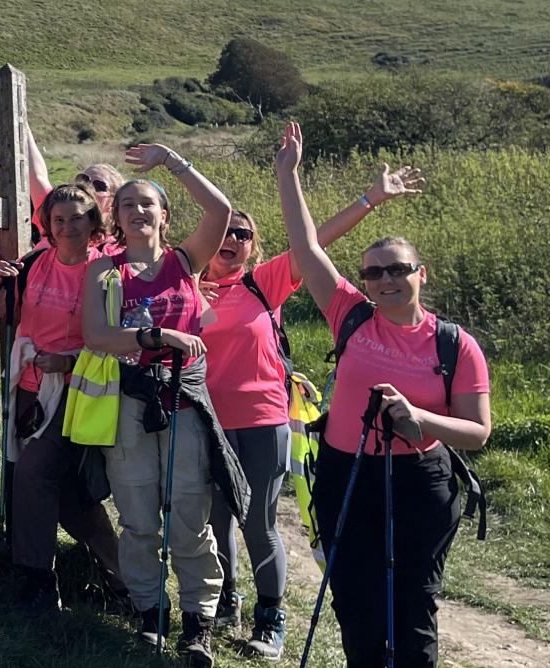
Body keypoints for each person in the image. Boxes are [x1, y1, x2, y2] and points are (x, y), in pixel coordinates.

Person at [278, 122, 488, 668]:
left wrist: (421, 418)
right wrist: (288, 174)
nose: (386, 280)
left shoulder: (454, 345)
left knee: (413, 603)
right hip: (347, 474)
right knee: (356, 601)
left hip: (421, 482)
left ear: (422, 274)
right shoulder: (350, 316)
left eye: (398, 269)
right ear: (364, 282)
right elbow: (304, 245)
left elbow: (478, 431)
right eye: (374, 273)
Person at [196, 165, 421, 657]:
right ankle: (225, 603)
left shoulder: (264, 282)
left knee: (258, 520)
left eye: (243, 233)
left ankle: (270, 618)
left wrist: (372, 198)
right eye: (225, 229)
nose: (232, 238)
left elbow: (315, 243)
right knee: (215, 518)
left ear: (253, 247)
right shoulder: (186, 283)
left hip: (262, 417)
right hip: (204, 419)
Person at [78, 143, 246, 665]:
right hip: (129, 401)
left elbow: (220, 211)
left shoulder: (185, 260)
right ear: (116, 219)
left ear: (164, 215)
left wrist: (173, 162)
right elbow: (97, 337)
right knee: (138, 518)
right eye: (127, 205)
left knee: (190, 515)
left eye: (147, 203)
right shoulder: (104, 272)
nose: (137, 211)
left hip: (185, 402)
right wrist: (159, 337)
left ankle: (198, 624)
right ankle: (149, 614)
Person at [0, 184, 128, 612]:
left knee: (33, 474)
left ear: (94, 222)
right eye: (58, 219)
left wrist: (70, 361)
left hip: (78, 392)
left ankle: (38, 581)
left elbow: (114, 340)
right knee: (66, 496)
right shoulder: (34, 263)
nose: (67, 227)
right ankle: (125, 581)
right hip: (29, 390)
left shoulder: (106, 272)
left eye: (78, 217)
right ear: (47, 224)